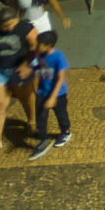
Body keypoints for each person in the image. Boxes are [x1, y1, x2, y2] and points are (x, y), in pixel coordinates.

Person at [0, 8, 33, 154]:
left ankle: (32, 120)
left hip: (19, 68)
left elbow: (36, 46)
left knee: (25, 97)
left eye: (12, 24)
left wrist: (28, 64)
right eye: (6, 26)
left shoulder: (25, 27)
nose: (10, 28)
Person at [27, 29, 72, 159]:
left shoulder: (58, 57)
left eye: (39, 44)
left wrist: (53, 97)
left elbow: (60, 78)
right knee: (40, 116)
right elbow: (35, 68)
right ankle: (43, 139)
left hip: (58, 93)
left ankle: (65, 132)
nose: (37, 46)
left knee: (61, 114)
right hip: (42, 91)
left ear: (48, 45)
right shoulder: (39, 55)